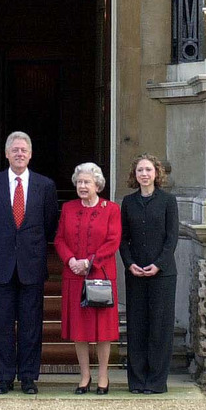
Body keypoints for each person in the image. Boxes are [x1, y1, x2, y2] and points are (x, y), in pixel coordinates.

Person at [0, 131, 58, 394]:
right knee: (0, 325)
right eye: (15, 150)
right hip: (1, 266)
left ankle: (28, 377)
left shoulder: (45, 185)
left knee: (31, 325)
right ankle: (3, 377)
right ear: (6, 154)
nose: (19, 154)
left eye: (24, 150)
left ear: (31, 154)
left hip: (31, 266)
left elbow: (49, 225)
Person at [54, 162, 121, 395]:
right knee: (79, 330)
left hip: (100, 275)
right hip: (73, 276)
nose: (82, 186)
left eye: (87, 182)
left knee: (103, 330)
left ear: (98, 185)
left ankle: (103, 375)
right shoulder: (69, 208)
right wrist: (71, 260)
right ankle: (85, 376)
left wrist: (90, 261)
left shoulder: (111, 208)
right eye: (79, 182)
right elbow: (59, 239)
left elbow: (113, 241)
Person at [119, 153, 179, 394]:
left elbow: (172, 237)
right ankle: (136, 380)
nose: (144, 174)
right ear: (135, 175)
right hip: (135, 272)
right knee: (137, 326)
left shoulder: (168, 201)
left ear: (157, 173)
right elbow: (123, 238)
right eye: (140, 170)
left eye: (148, 170)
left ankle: (156, 381)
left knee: (159, 327)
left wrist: (159, 264)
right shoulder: (128, 202)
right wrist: (129, 263)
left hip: (162, 274)